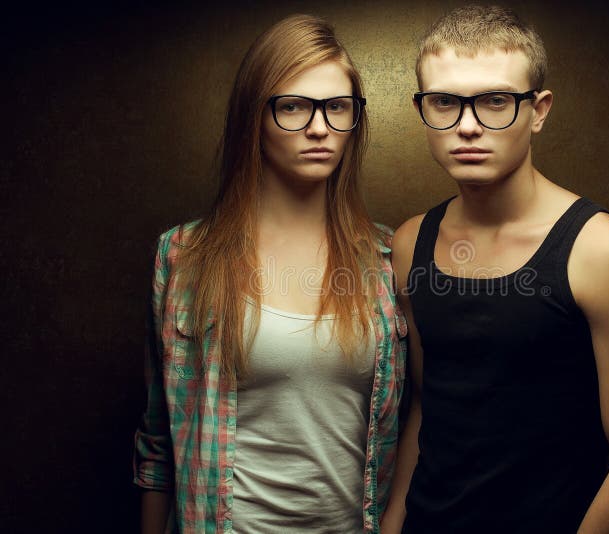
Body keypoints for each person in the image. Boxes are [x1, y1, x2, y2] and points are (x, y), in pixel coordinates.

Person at [382, 5, 609, 533]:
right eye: (445, 102)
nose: (467, 127)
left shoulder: (604, 250)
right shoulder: (409, 242)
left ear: (538, 110)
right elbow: (425, 406)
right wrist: (393, 523)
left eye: (495, 102)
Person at [133, 14, 407, 533]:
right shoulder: (183, 257)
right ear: (253, 117)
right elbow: (158, 445)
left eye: (337, 108)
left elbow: (427, 425)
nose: (319, 127)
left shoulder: (391, 261)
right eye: (294, 106)